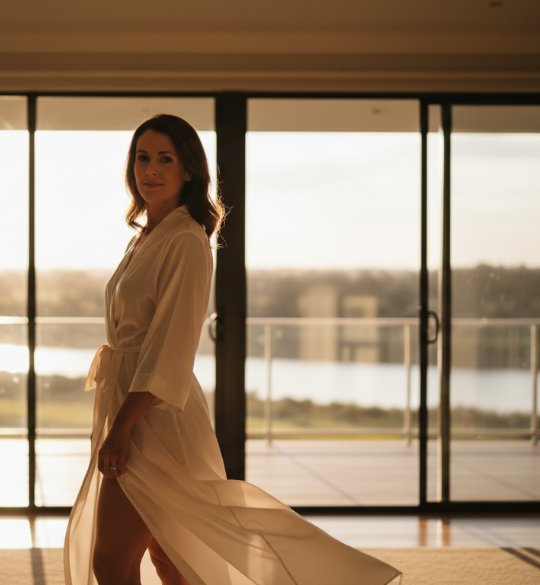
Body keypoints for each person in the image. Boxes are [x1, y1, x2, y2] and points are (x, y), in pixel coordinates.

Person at [64, 114, 401, 585]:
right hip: (131, 406)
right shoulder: (144, 238)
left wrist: (123, 427)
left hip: (154, 419)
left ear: (189, 171)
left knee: (112, 563)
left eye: (165, 158)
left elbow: (171, 347)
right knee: (170, 556)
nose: (151, 170)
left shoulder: (184, 240)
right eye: (142, 157)